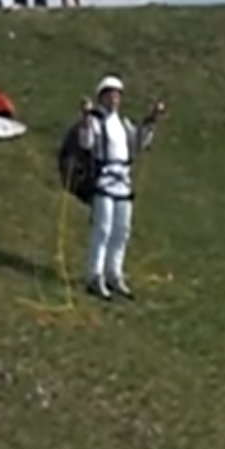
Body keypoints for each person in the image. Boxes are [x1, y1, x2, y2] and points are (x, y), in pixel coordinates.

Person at [77, 74, 166, 301]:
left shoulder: (123, 124)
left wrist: (152, 120)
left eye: (117, 94)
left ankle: (114, 273)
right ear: (102, 97)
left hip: (123, 183)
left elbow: (138, 144)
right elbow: (86, 143)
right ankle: (94, 275)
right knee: (103, 229)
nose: (114, 98)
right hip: (104, 181)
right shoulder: (97, 122)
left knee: (121, 230)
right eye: (110, 94)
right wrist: (85, 119)